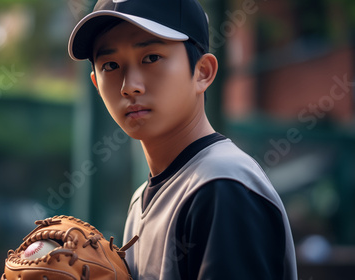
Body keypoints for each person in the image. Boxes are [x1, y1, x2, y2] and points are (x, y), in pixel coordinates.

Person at [67, 0, 297, 279]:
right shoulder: (142, 199)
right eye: (111, 65)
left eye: (151, 58)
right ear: (96, 84)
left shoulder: (222, 186)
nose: (130, 86)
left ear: (203, 72)